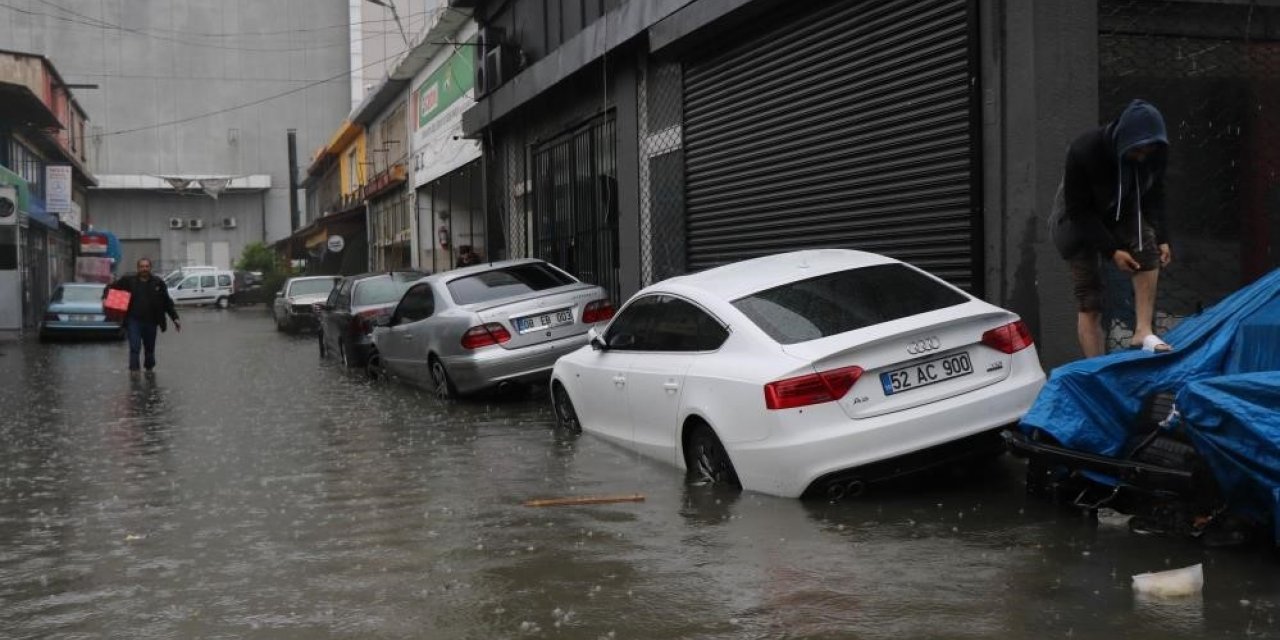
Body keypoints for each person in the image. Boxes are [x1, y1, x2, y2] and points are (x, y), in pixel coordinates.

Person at [1058, 99, 1174, 357]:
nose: (1143, 156)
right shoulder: (1084, 150)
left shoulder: (1154, 154)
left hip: (1121, 212)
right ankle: (1096, 364)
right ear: (1123, 140)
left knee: (1148, 246)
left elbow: (1155, 193)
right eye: (1138, 150)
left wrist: (1164, 236)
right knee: (1091, 300)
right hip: (1078, 224)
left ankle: (1142, 331)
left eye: (1149, 150)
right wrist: (1112, 251)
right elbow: (1079, 211)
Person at [107, 258, 181, 371]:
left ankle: (149, 370)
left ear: (150, 268)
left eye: (146, 266)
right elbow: (111, 287)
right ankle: (134, 372)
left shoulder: (158, 283)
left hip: (151, 322)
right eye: (142, 266)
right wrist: (105, 298)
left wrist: (175, 318)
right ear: (138, 268)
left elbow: (166, 302)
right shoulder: (129, 281)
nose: (144, 269)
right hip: (134, 321)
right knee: (134, 347)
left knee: (149, 349)